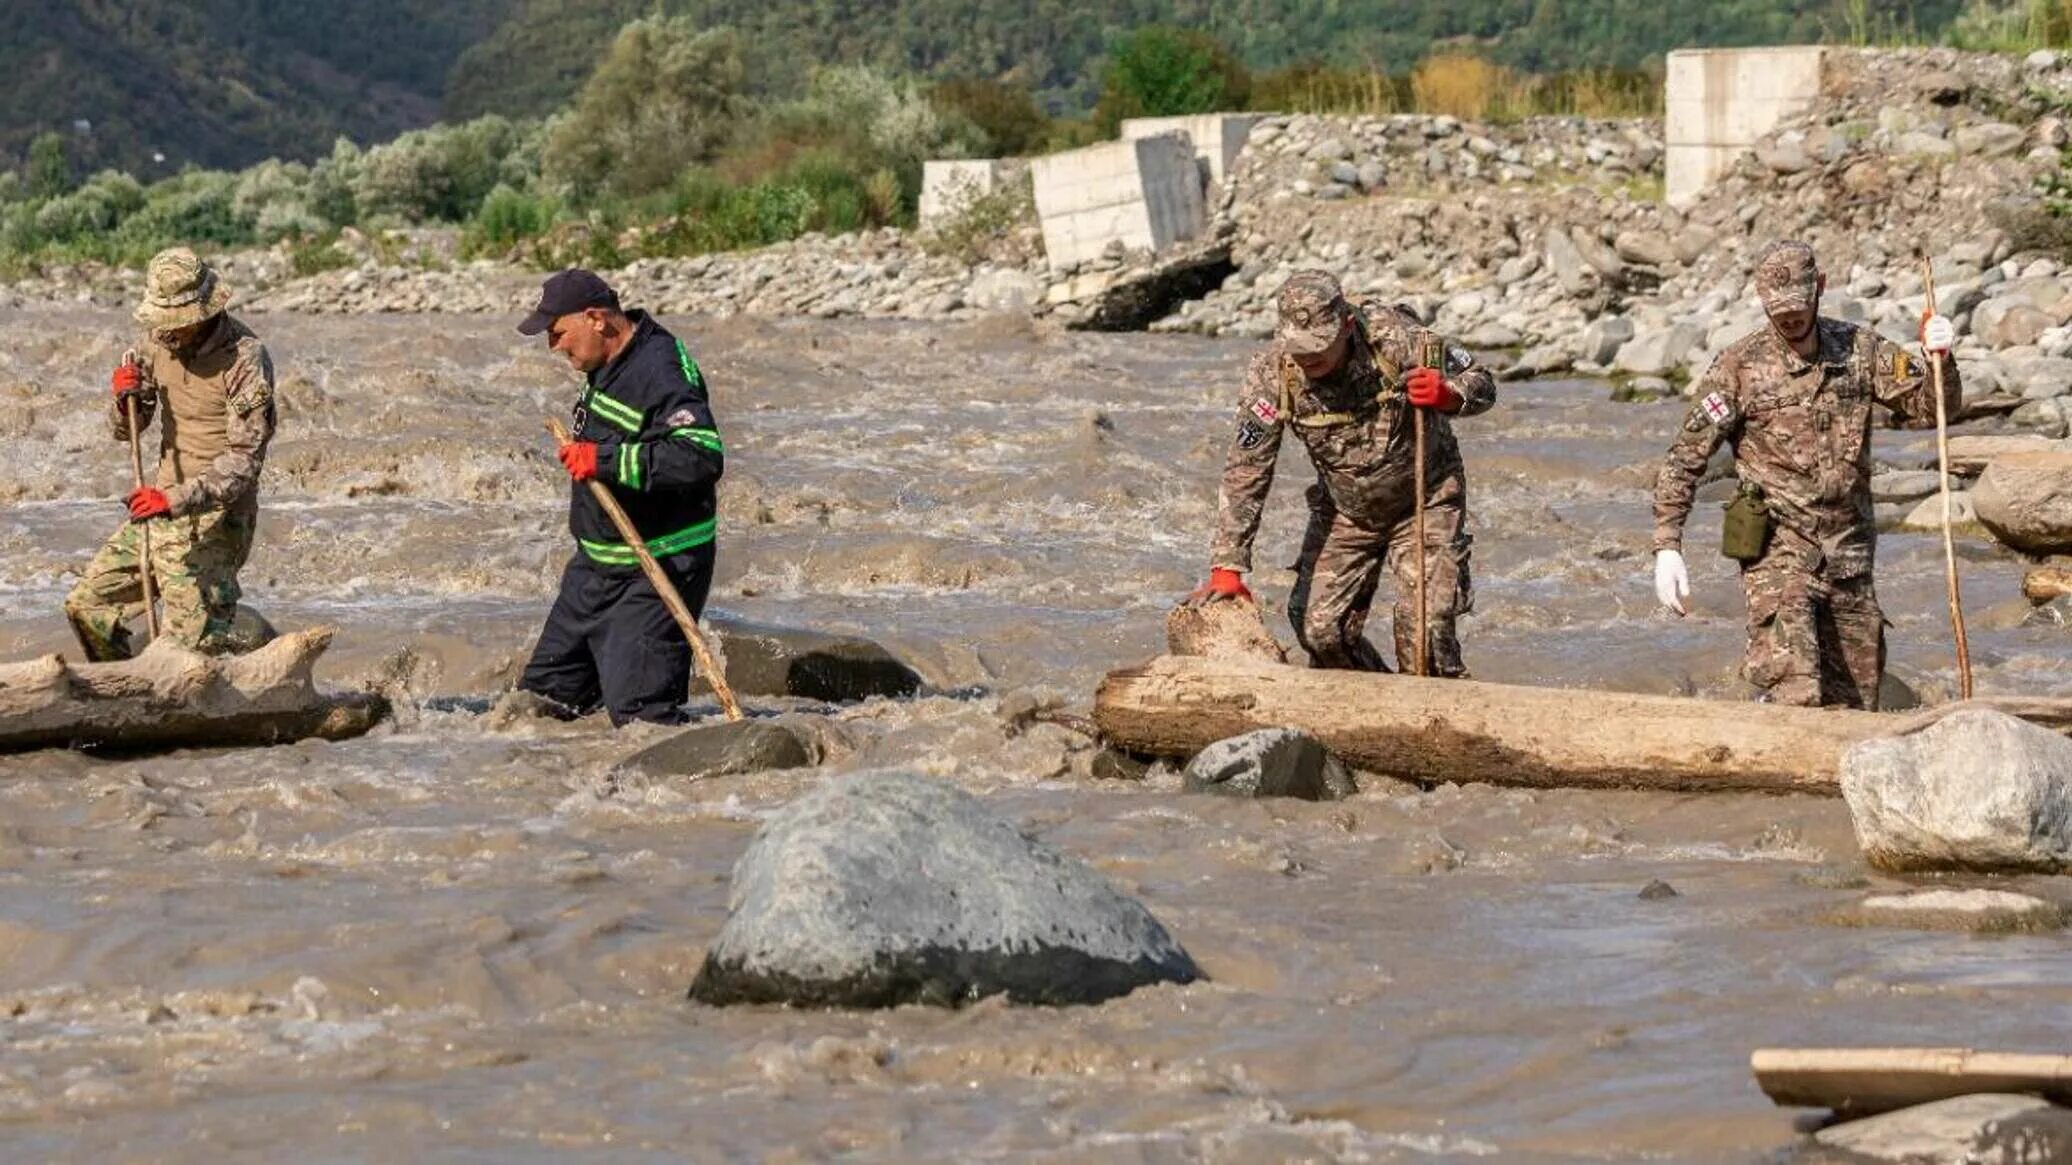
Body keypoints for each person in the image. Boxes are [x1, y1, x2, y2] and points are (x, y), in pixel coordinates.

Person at [1651, 240, 1960, 709]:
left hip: (1850, 551)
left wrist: (1941, 358)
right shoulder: (1738, 367)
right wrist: (1667, 545)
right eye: (1778, 311)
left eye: (1798, 306)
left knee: (1855, 702)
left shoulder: (1861, 350)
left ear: (1820, 288)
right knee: (1796, 690)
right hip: (1779, 550)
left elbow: (1935, 408)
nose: (1790, 319)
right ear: (1761, 301)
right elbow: (1685, 457)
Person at [1195, 270, 1496, 674]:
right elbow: (1247, 467)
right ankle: (1374, 710)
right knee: (1319, 631)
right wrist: (1227, 568)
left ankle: (1442, 717)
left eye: (1320, 345)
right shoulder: (1271, 375)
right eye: (1298, 348)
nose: (1309, 358)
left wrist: (1447, 395)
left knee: (1426, 634)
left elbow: (1480, 381)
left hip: (1425, 500)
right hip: (1348, 512)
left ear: (1348, 325)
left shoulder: (1398, 337)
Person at [516, 269, 724, 725]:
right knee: (539, 705)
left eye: (558, 334)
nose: (554, 347)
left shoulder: (660, 370)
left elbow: (701, 456)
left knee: (640, 718)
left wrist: (604, 461)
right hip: (594, 570)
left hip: (656, 567)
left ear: (595, 319)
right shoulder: (610, 360)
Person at [65, 248, 276, 661]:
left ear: (202, 312)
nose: (168, 332)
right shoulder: (153, 343)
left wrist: (173, 499)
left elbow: (244, 462)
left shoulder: (245, 356)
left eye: (177, 322)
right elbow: (125, 429)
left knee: (192, 650)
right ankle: (127, 689)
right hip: (160, 507)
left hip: (218, 514)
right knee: (86, 605)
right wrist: (126, 397)